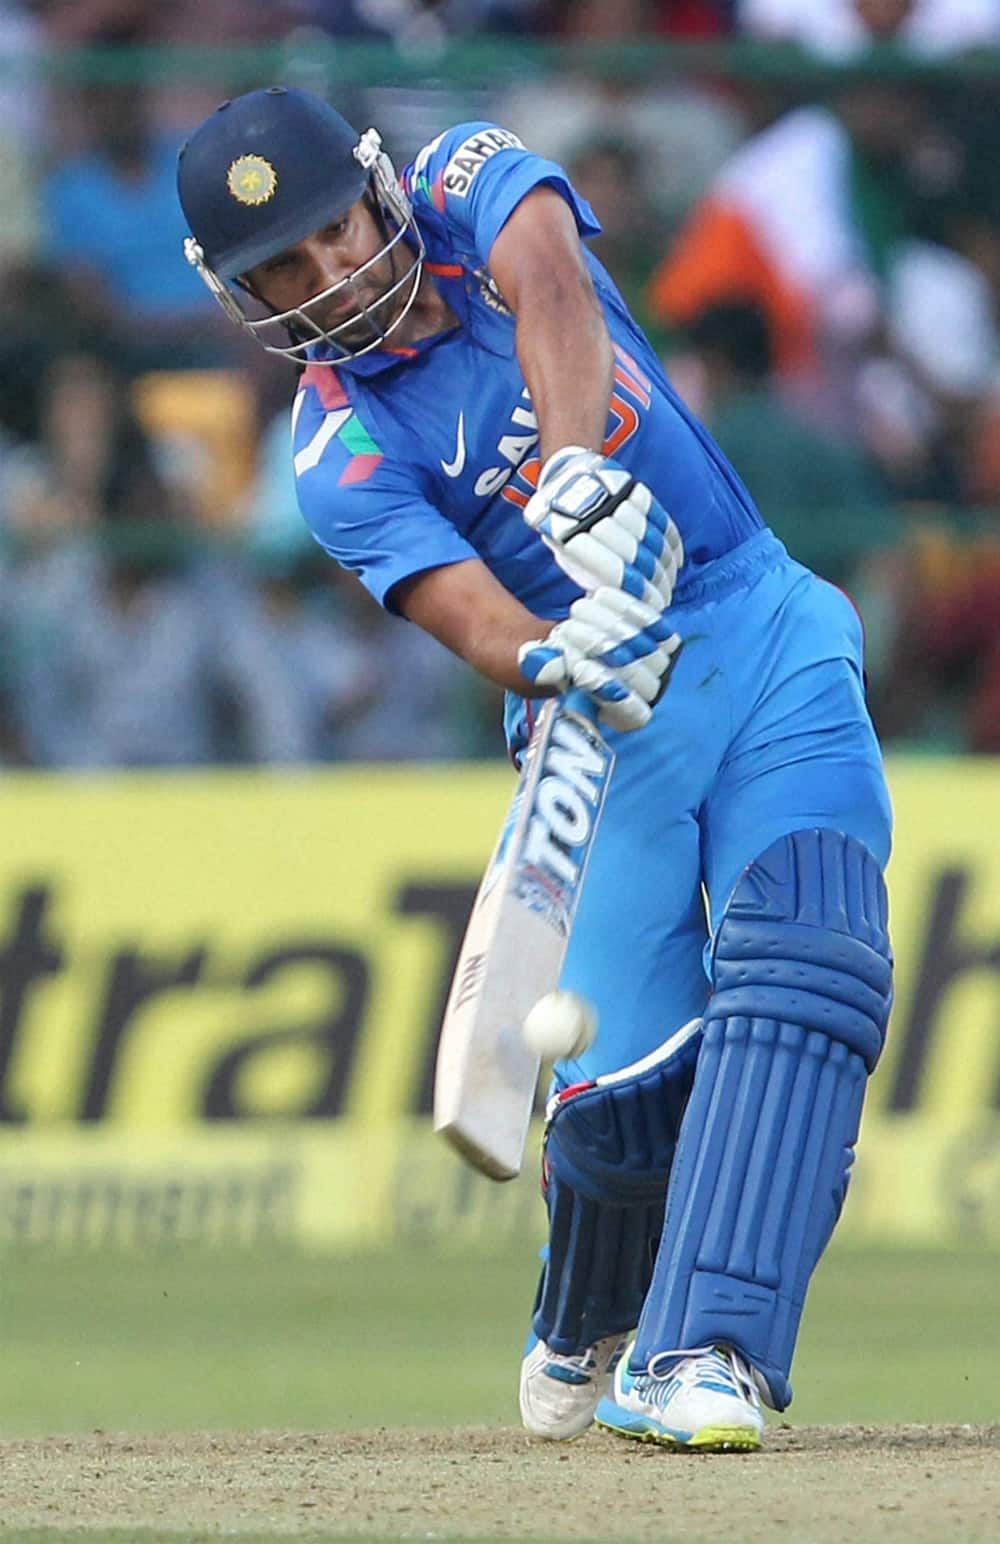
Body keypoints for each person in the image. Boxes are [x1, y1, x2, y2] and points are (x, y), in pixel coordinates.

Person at [176, 86, 894, 1451]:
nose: (330, 276)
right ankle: (584, 1309)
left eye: (334, 232)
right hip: (611, 714)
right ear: (246, 299)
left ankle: (704, 1359)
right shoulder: (339, 452)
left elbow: (553, 278)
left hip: (756, 611)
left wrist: (572, 472)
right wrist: (561, 654)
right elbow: (467, 615)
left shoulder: (464, 174)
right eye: (286, 269)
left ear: (379, 193)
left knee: (810, 970)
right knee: (621, 1118)